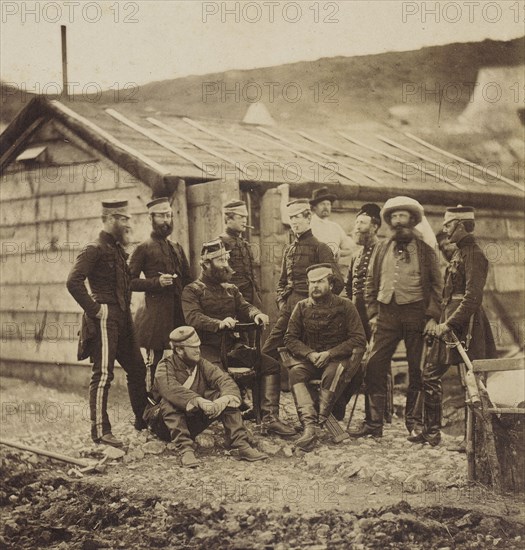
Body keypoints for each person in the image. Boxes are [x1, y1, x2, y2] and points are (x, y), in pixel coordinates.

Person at [181, 239, 296, 437]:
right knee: (222, 379)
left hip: (233, 349)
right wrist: (218, 324)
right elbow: (193, 317)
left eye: (227, 259)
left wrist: (256, 314)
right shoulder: (192, 290)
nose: (226, 265)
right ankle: (235, 431)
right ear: (206, 264)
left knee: (270, 365)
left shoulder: (231, 289)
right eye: (220, 261)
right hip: (207, 350)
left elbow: (245, 308)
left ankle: (269, 418)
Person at [350, 196, 443, 438]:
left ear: (412, 220)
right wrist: (372, 312)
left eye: (403, 216)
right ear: (389, 222)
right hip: (386, 315)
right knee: (374, 364)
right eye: (394, 217)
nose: (398, 221)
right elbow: (370, 282)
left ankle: (415, 423)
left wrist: (432, 316)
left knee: (418, 369)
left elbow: (436, 286)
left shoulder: (425, 251)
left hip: (416, 314)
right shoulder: (381, 248)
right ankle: (373, 423)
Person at [408, 206, 497, 449]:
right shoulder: (458, 253)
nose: (444, 229)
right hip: (450, 322)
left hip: (467, 324)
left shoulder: (474, 254)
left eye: (448, 225)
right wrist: (441, 320)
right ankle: (431, 432)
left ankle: (475, 441)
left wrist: (450, 323)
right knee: (430, 374)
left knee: (472, 383)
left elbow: (472, 298)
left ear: (459, 224)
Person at [66, 199, 148, 447]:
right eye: (123, 219)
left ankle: (143, 421)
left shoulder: (118, 250)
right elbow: (73, 281)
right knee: (103, 375)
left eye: (127, 219)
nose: (127, 224)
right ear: (111, 219)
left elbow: (128, 284)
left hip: (123, 318)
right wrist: (95, 309)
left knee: (137, 368)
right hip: (104, 318)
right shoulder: (95, 248)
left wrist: (155, 284)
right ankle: (101, 431)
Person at [145, 326, 268, 467]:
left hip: (191, 420)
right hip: (164, 425)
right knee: (169, 401)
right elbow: (170, 389)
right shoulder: (165, 366)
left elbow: (224, 379)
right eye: (193, 348)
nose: (198, 350)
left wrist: (224, 398)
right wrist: (198, 400)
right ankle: (185, 449)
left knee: (221, 395)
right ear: (179, 350)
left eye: (198, 346)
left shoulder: (201, 364)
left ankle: (240, 444)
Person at [284, 264, 366, 451]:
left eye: (320, 281)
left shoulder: (346, 306)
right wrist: (309, 354)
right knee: (296, 373)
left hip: (337, 359)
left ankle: (321, 418)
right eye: (312, 282)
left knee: (333, 373)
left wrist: (330, 353)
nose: (315, 286)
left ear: (330, 283)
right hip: (311, 360)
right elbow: (290, 338)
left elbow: (359, 339)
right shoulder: (301, 307)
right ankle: (309, 427)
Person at [262, 199, 344, 361]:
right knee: (268, 350)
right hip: (289, 308)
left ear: (308, 219)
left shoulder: (320, 248)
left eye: (298, 217)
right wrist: (282, 302)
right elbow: (282, 283)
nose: (294, 222)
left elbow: (338, 282)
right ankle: (276, 387)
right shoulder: (289, 250)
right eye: (291, 218)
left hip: (312, 310)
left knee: (308, 355)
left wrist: (319, 305)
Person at [129, 197, 192, 388]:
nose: (167, 220)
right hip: (156, 316)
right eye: (162, 216)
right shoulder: (143, 248)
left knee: (181, 358)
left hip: (178, 313)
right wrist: (156, 282)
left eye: (169, 215)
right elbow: (129, 282)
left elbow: (188, 281)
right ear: (151, 218)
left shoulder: (177, 248)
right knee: (157, 362)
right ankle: (153, 405)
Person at [345, 203, 382, 341]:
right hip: (357, 311)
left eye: (362, 223)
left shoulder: (383, 251)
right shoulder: (356, 255)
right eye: (357, 223)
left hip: (375, 311)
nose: (358, 227)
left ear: (375, 227)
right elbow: (348, 284)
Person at [219, 199, 261, 307]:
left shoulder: (244, 244)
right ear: (228, 219)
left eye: (245, 217)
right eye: (240, 217)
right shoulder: (220, 243)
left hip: (251, 299)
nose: (244, 221)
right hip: (232, 301)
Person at [309, 187, 354, 263]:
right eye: (322, 204)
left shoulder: (335, 227)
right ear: (314, 207)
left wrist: (339, 252)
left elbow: (349, 249)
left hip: (332, 267)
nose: (326, 207)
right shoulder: (308, 224)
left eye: (328, 204)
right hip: (312, 267)